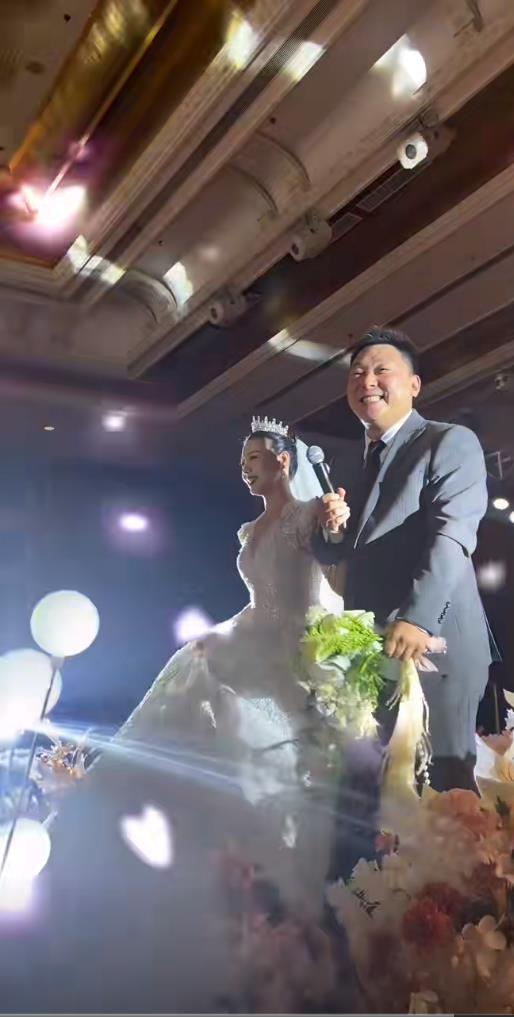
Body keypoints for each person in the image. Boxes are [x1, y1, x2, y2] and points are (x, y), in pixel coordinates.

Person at [8, 420, 342, 1014]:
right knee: (194, 681)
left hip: (295, 643)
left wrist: (336, 533)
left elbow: (333, 582)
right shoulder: (251, 527)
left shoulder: (313, 513)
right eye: (243, 460)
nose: (247, 469)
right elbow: (259, 597)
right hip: (250, 629)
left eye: (257, 458)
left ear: (285, 462)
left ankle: (273, 883)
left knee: (255, 735)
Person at [313, 326, 492, 800]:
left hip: (435, 641)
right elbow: (334, 552)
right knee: (388, 797)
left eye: (380, 370)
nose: (366, 381)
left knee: (444, 792)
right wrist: (332, 529)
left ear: (413, 385)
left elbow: (452, 535)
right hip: (371, 650)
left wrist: (417, 618)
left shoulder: (448, 441)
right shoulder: (352, 462)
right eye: (357, 373)